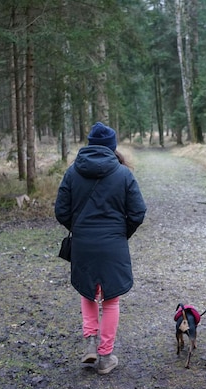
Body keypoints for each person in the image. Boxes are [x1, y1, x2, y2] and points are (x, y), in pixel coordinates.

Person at [55, 121, 146, 375]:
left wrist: (79, 229)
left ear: (89, 144)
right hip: (113, 244)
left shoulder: (73, 172)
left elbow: (61, 210)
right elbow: (138, 212)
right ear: (111, 147)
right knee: (111, 299)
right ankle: (106, 357)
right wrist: (121, 233)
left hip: (83, 244)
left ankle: (90, 344)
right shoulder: (124, 174)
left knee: (87, 293)